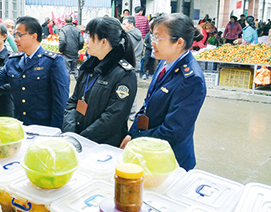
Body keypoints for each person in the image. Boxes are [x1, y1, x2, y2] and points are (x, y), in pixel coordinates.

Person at [121, 13, 207, 171]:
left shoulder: (191, 79)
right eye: (152, 38)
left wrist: (135, 139)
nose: (152, 43)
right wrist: (132, 133)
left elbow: (173, 131)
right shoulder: (164, 62)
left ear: (179, 42)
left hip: (171, 160)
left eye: (157, 38)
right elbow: (147, 106)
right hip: (150, 151)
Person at [62, 17, 137, 146]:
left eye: (91, 37)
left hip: (103, 146)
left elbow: (113, 117)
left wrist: (82, 139)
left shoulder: (124, 74)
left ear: (104, 42)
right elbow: (73, 101)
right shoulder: (88, 67)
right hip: (77, 140)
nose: (86, 41)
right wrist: (71, 131)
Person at [122, 15, 143, 120]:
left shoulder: (127, 37)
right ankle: (132, 113)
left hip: (126, 67)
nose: (123, 26)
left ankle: (125, 113)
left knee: (124, 91)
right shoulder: (140, 36)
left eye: (125, 24)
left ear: (131, 25)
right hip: (137, 66)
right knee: (133, 91)